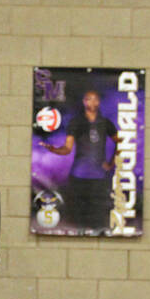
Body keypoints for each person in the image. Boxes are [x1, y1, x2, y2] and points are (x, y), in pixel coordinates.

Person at [42, 89, 119, 232]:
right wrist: (52, 149)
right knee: (78, 220)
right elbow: (67, 148)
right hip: (79, 175)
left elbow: (118, 141)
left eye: (95, 99)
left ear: (99, 102)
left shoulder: (105, 123)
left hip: (99, 176)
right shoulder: (76, 122)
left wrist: (111, 163)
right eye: (88, 99)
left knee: (98, 217)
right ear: (84, 102)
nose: (92, 102)